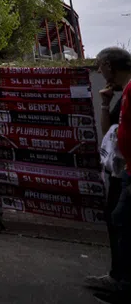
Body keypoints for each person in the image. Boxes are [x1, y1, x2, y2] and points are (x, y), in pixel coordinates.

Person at [88, 47, 131, 303]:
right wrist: (104, 103)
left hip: (128, 173)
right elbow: (110, 134)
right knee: (116, 220)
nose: (98, 71)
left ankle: (124, 285)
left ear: (109, 64)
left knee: (122, 223)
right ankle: (118, 277)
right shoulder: (121, 94)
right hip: (119, 172)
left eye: (100, 66)